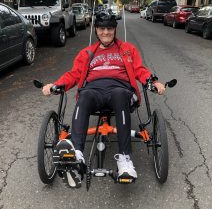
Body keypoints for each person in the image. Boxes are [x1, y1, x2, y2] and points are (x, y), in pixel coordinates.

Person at [42, 12, 165, 187]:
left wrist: (153, 82)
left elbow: (139, 69)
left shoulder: (128, 49)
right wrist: (56, 85)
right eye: (101, 28)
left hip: (120, 88)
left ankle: (124, 160)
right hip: (93, 90)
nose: (105, 32)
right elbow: (74, 74)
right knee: (83, 96)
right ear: (96, 30)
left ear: (115, 29)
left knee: (120, 95)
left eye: (109, 28)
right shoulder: (87, 53)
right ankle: (77, 155)